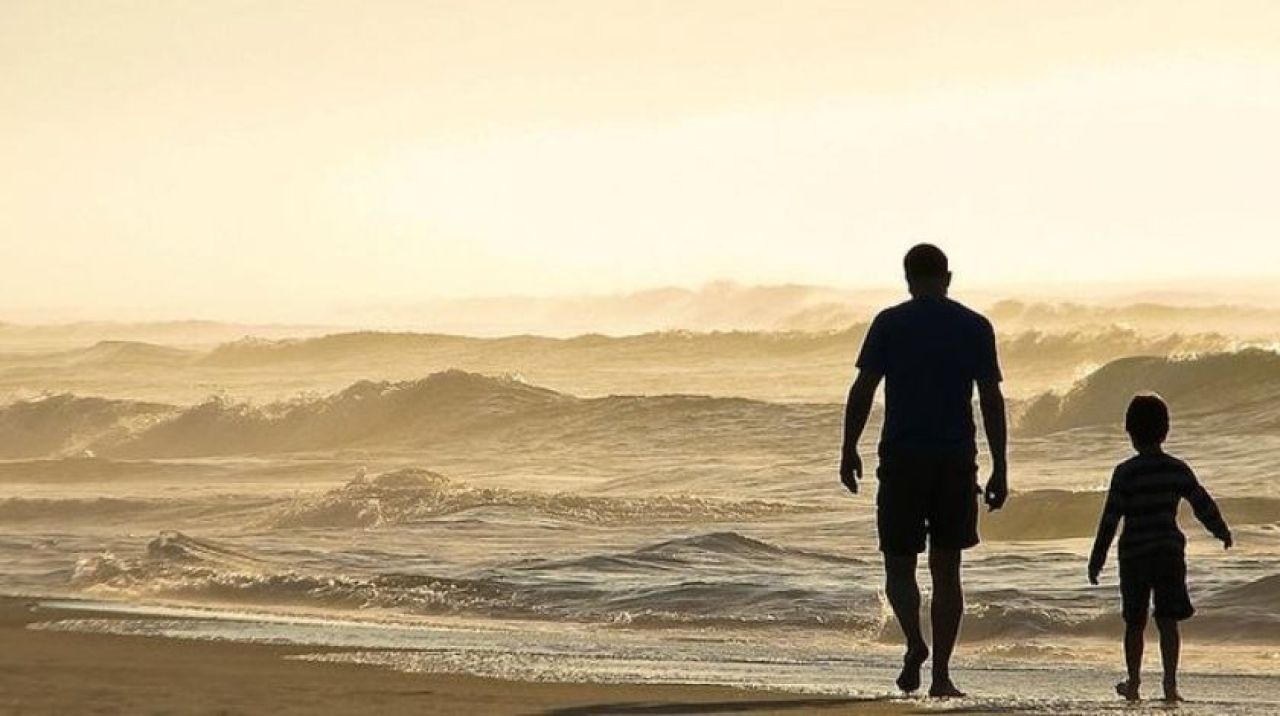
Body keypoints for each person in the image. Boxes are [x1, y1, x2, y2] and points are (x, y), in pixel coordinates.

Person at [839, 243, 1008, 698]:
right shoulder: (974, 326)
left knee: (899, 563)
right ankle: (942, 676)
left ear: (908, 279)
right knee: (947, 569)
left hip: (902, 458)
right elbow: (991, 400)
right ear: (948, 277)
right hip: (955, 461)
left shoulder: (890, 323)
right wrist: (1000, 465)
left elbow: (863, 389)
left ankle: (915, 643)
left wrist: (848, 448)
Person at [1088, 394, 1232, 703]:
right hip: (1168, 551)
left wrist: (1097, 557)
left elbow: (1110, 518)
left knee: (1135, 622)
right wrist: (1220, 530)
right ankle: (1170, 685)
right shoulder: (1176, 469)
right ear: (1165, 430)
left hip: (1134, 554)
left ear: (1129, 431)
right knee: (1168, 620)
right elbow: (1201, 503)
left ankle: (1135, 683)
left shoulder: (1125, 472)